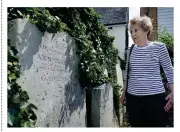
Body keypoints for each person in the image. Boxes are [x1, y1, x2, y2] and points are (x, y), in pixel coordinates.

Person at [120, 15, 174, 127]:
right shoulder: (131, 49)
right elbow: (127, 73)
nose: (133, 34)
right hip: (133, 99)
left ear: (146, 30)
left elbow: (169, 70)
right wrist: (124, 92)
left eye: (136, 30)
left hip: (155, 100)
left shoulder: (159, 47)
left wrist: (174, 92)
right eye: (131, 31)